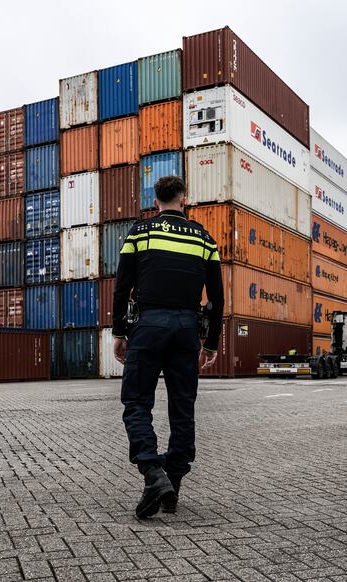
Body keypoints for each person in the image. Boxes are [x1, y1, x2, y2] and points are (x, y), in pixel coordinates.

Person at [112, 175, 223, 518]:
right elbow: (217, 299)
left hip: (148, 326)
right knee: (183, 407)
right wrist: (212, 343)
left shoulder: (140, 232)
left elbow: (121, 287)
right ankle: (172, 481)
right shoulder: (205, 238)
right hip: (187, 329)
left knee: (136, 402)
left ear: (155, 200)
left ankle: (153, 473)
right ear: (184, 198)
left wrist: (119, 332)